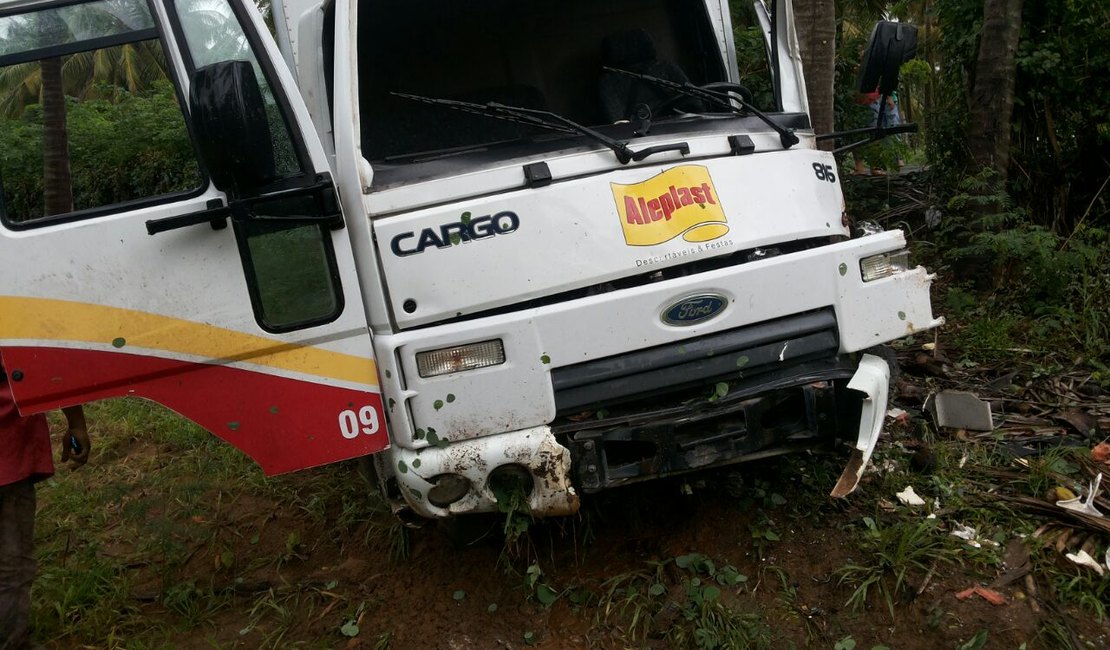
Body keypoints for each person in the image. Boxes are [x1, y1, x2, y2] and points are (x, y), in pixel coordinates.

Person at [0, 360, 88, 650]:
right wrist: (76, 422)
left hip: (10, 454)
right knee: (10, 563)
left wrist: (76, 421)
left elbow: (42, 359)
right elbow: (43, 358)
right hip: (9, 458)